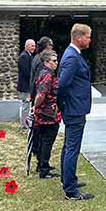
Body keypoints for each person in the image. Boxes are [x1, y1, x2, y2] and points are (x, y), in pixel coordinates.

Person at [57, 24, 94, 201]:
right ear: (79, 37)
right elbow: (62, 85)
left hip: (74, 107)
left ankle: (67, 180)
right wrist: (62, 105)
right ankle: (70, 190)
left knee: (68, 146)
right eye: (88, 36)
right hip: (74, 108)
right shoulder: (72, 57)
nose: (89, 40)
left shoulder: (72, 54)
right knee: (73, 148)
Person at [32, 50, 62, 179]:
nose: (56, 63)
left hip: (46, 112)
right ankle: (44, 168)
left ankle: (42, 164)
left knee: (43, 139)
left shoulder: (45, 73)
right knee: (47, 141)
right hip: (48, 114)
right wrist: (35, 106)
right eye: (54, 61)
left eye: (56, 60)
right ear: (46, 62)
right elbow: (41, 94)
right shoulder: (47, 75)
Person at [17, 38, 36, 129]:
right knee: (25, 105)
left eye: (34, 46)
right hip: (25, 86)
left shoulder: (29, 55)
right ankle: (23, 125)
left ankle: (26, 123)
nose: (34, 47)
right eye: (32, 46)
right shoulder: (24, 56)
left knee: (27, 106)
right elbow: (27, 72)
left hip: (28, 86)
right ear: (27, 46)